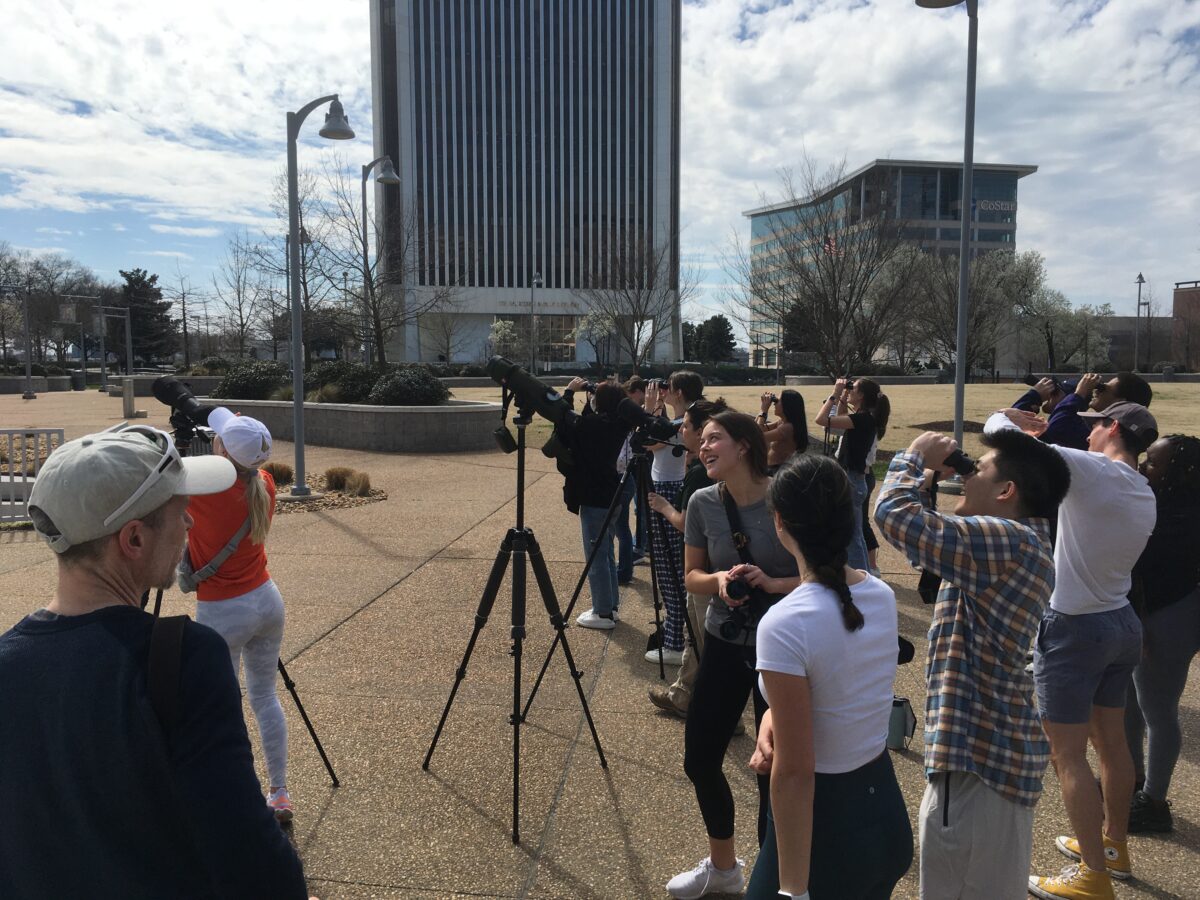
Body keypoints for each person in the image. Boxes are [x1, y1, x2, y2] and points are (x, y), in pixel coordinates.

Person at [0, 425, 308, 898]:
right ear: (135, 540)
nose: (188, 526)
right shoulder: (184, 658)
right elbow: (255, 862)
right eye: (179, 513)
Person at [874, 426, 1071, 900]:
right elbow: (929, 531)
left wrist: (913, 455)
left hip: (977, 768)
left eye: (975, 470)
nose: (964, 477)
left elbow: (895, 516)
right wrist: (928, 477)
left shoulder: (1009, 541)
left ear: (1007, 491)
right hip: (991, 765)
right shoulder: (1018, 543)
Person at [987, 401, 1157, 899]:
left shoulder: (1094, 470)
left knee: (1067, 755)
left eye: (1095, 426)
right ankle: (1112, 846)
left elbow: (1003, 439)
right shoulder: (1144, 489)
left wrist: (1007, 415)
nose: (1086, 435)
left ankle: (1092, 877)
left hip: (1073, 627)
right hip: (1120, 622)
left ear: (1114, 430)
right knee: (1112, 742)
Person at [745, 454, 912, 899]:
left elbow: (797, 772)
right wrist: (774, 718)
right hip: (884, 816)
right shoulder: (880, 594)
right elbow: (844, 691)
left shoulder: (784, 624)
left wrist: (793, 891)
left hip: (826, 834)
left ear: (779, 522)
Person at [667, 411, 801, 900]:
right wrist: (720, 582)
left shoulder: (786, 498)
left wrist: (773, 583)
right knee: (700, 757)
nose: (703, 447)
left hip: (783, 649)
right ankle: (724, 869)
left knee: (775, 769)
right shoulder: (702, 501)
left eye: (714, 438)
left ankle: (775, 876)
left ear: (744, 445)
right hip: (723, 641)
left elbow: (825, 573)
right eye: (701, 441)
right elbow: (691, 576)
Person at [186, 407, 293, 821]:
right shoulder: (263, 481)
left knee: (224, 705)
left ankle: (236, 796)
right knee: (265, 696)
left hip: (221, 612)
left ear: (222, 449)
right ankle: (279, 792)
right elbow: (238, 461)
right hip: (266, 599)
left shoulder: (203, 490)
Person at [1123, 434, 1200, 834]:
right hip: (1152, 612)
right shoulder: (1158, 503)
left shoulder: (1179, 517)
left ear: (1180, 471)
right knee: (1130, 702)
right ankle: (1132, 780)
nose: (1142, 467)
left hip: (1171, 615)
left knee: (1157, 708)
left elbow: (1154, 573)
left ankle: (1154, 802)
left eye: (1152, 463)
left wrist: (1142, 625)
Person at [646, 398, 727, 718]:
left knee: (699, 634)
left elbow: (686, 523)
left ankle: (715, 708)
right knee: (700, 637)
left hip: (706, 568)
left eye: (687, 427)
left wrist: (662, 506)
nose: (681, 431)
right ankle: (685, 693)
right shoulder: (709, 468)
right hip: (716, 565)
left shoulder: (698, 475)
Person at [556, 378, 632, 630]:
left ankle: (602, 612)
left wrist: (568, 392)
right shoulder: (619, 424)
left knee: (596, 556)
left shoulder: (592, 425)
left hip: (594, 497)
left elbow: (565, 425)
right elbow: (585, 425)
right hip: (612, 492)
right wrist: (592, 400)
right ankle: (610, 606)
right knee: (607, 553)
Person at [644, 370, 705, 665]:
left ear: (678, 393)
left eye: (668, 388)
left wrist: (649, 409)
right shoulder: (685, 422)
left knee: (670, 571)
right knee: (672, 569)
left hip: (667, 491)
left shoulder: (680, 426)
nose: (664, 392)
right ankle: (676, 634)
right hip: (669, 488)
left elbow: (645, 441)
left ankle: (674, 642)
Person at [815, 376, 890, 571]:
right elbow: (840, 418)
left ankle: (863, 579)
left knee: (854, 536)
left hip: (853, 480)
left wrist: (836, 393)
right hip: (854, 479)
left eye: (853, 388)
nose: (850, 390)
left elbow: (821, 420)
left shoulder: (862, 419)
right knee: (855, 534)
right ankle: (865, 576)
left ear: (862, 396)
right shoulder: (863, 418)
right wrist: (844, 396)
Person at [616, 376, 649, 582]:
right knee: (624, 524)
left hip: (628, 473)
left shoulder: (631, 417)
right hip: (628, 472)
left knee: (624, 524)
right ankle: (627, 564)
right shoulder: (627, 414)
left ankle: (626, 567)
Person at [1013, 377, 1089, 450]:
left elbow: (1012, 423)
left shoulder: (1069, 430)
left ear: (1069, 402)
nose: (1050, 396)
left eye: (1055, 393)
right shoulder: (1070, 426)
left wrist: (1034, 395)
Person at [756, 389, 809, 471]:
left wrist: (764, 410)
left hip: (778, 470)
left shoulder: (787, 428)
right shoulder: (782, 422)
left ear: (787, 405)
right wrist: (762, 409)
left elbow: (756, 435)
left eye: (777, 401)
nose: (774, 404)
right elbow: (756, 428)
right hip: (774, 467)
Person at [1083, 371, 1153, 412]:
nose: (1096, 391)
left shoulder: (1110, 433)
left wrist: (1078, 395)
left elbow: (1073, 429)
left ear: (1120, 403)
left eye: (1103, 389)